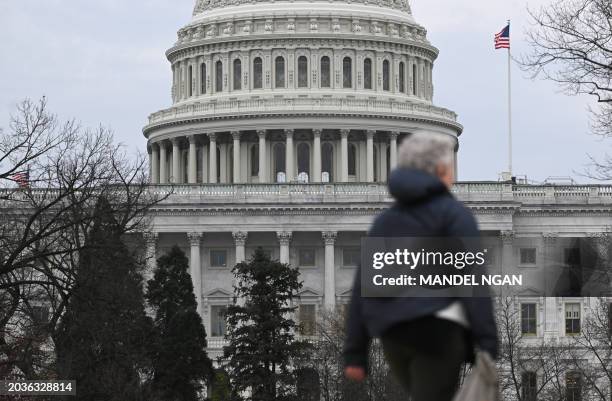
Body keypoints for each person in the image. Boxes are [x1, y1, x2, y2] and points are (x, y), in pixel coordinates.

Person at [343, 132, 498, 401]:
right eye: (449, 168)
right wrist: (486, 342)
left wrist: (355, 352)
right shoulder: (453, 215)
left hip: (393, 335)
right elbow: (473, 281)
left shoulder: (385, 221)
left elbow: (362, 289)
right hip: (437, 329)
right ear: (440, 170)